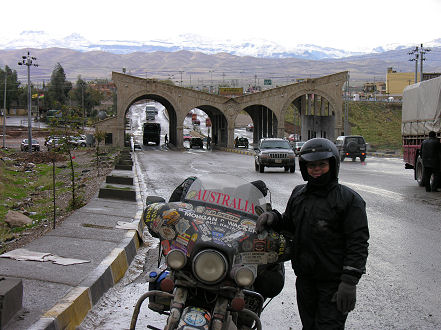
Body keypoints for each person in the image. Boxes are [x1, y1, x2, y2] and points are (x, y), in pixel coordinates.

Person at [256, 137, 369, 329]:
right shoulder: (299, 195)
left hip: (333, 283)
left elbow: (357, 243)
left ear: (333, 165)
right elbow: (290, 224)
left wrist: (349, 282)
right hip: (305, 281)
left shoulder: (349, 200)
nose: (316, 169)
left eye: (321, 164)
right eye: (311, 165)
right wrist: (273, 218)